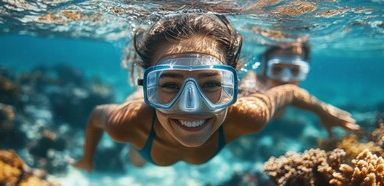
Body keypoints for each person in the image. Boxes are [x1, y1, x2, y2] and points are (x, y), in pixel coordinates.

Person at [73, 13, 359, 171]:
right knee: (136, 162)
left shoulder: (248, 115)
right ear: (147, 86)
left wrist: (325, 111)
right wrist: (87, 158)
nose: (189, 106)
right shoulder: (127, 123)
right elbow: (96, 118)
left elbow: (289, 93)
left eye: (211, 84)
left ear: (231, 85)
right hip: (143, 147)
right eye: (170, 84)